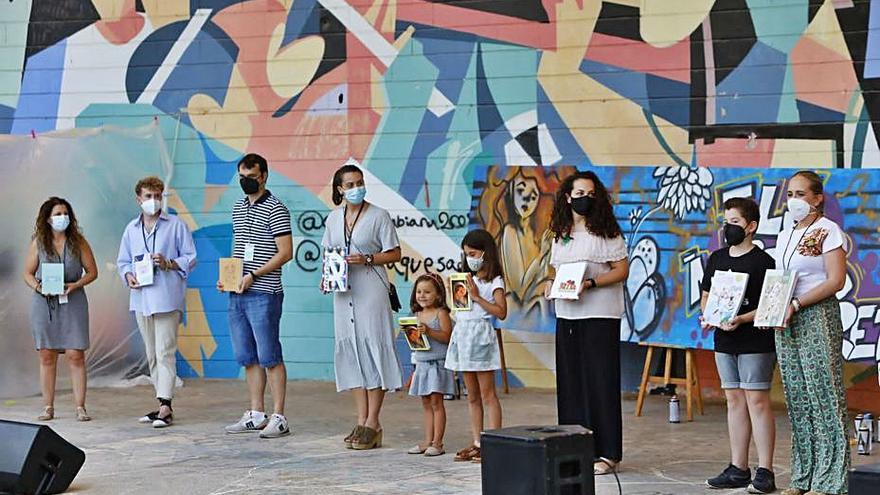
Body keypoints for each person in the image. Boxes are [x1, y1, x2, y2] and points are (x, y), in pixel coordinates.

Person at [545, 171, 629, 475]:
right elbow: (555, 271)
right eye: (579, 193)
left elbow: (621, 270)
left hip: (600, 315)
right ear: (568, 197)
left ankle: (607, 452)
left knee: (600, 382)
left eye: (591, 194)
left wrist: (591, 283)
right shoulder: (561, 234)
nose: (585, 199)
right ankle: (573, 446)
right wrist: (549, 285)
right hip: (567, 315)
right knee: (571, 383)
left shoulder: (607, 232)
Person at [771, 171, 849, 495]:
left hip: (816, 315)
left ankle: (830, 480)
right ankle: (803, 476)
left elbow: (836, 280)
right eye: (790, 194)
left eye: (801, 194)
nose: (794, 201)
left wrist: (798, 303)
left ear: (817, 198)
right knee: (798, 397)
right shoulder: (785, 234)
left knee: (824, 396)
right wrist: (772, 308)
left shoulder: (828, 231)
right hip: (786, 319)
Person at [321, 159, 403, 451]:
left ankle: (373, 421)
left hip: (371, 288)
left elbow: (394, 253)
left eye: (359, 183)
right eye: (350, 185)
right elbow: (329, 253)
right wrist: (327, 278)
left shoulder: (379, 216)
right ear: (340, 189)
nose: (356, 189)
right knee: (352, 351)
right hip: (343, 292)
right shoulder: (333, 218)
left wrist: (368, 259)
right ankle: (360, 418)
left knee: (372, 347)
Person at [700, 198, 777, 493]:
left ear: (751, 226)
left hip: (755, 340)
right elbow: (707, 295)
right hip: (724, 339)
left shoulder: (764, 263)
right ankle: (738, 467)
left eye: (734, 222)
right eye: (726, 221)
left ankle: (765, 470)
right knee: (733, 400)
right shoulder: (717, 258)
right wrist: (709, 316)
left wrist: (742, 318)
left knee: (756, 400)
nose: (727, 227)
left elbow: (770, 303)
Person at [218, 153, 293, 439]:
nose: (246, 182)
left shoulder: (276, 208)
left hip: (265, 292)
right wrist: (229, 278)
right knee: (247, 355)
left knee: (269, 355)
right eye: (241, 177)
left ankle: (279, 416)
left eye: (251, 177)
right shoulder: (238, 207)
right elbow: (239, 248)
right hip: (238, 292)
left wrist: (254, 276)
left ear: (263, 176)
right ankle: (256, 412)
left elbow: (285, 253)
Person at [117, 176, 197, 428]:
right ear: (138, 199)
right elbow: (123, 261)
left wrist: (169, 262)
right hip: (141, 298)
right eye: (148, 196)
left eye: (157, 196)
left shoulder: (175, 225)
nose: (153, 201)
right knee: (152, 354)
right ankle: (161, 400)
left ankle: (166, 406)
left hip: (166, 297)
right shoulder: (131, 229)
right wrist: (128, 275)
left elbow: (191, 257)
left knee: (165, 351)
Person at [23, 197, 98, 421]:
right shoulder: (39, 242)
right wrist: (38, 287)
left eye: (65, 213)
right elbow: (27, 273)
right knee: (47, 355)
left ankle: (80, 407)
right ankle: (48, 406)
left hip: (73, 301)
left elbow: (92, 272)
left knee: (76, 355)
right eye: (57, 214)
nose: (61, 217)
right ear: (47, 218)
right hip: (44, 304)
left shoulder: (79, 242)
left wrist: (76, 285)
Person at [445, 229, 507, 463]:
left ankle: (494, 441)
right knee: (472, 396)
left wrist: (477, 296)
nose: (469, 258)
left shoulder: (494, 281)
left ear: (485, 253)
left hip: (480, 335)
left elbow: (501, 312)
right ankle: (478, 441)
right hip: (463, 335)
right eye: (466, 254)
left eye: (473, 253)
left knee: (488, 394)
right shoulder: (466, 276)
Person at [406, 273, 455, 457]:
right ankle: (427, 440)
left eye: (427, 292)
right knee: (426, 402)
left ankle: (438, 442)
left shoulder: (441, 313)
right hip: (422, 364)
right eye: (419, 291)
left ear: (438, 295)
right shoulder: (416, 314)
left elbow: (446, 336)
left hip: (437, 364)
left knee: (436, 402)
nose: (422, 295)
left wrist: (429, 331)